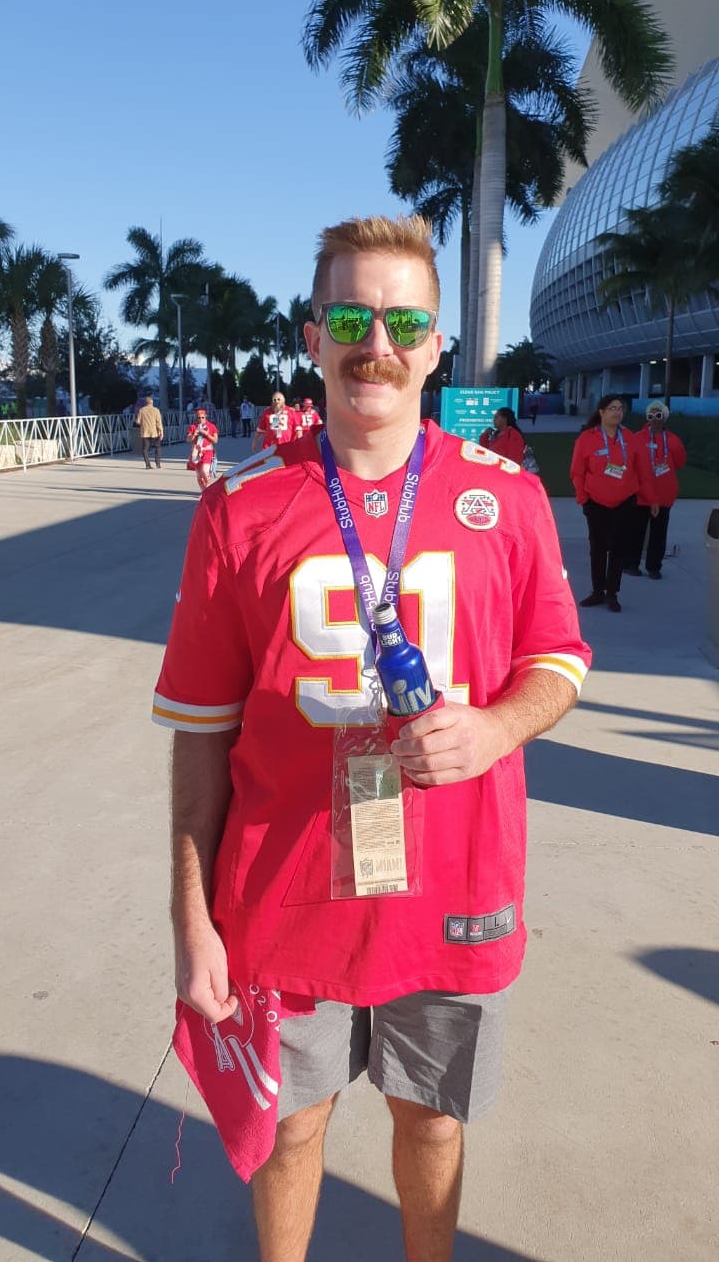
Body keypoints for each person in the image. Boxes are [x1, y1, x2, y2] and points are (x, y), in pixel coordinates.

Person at [153, 214, 591, 1262]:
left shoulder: (508, 495)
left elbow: (561, 661)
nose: (376, 343)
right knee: (293, 1126)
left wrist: (494, 728)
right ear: (313, 335)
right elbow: (202, 738)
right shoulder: (240, 509)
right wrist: (190, 914)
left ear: (437, 343)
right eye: (352, 315)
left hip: (455, 888)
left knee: (432, 1120)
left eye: (403, 320)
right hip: (283, 891)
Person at [570, 394, 640, 613]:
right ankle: (597, 591)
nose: (617, 412)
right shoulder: (587, 439)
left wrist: (642, 496)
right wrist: (583, 498)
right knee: (598, 549)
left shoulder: (629, 437)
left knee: (619, 550)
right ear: (601, 412)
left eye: (620, 408)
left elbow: (639, 469)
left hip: (624, 502)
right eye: (612, 408)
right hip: (596, 502)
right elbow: (577, 472)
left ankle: (612, 593)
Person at [624, 400, 686, 580]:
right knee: (637, 531)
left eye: (658, 416)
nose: (654, 419)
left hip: (663, 494)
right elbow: (630, 463)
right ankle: (632, 564)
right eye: (651, 416)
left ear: (664, 417)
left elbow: (680, 462)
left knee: (659, 533)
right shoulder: (638, 438)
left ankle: (654, 567)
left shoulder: (673, 440)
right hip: (641, 493)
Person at [186, 404, 219, 490]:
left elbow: (215, 440)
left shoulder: (211, 426)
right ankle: (204, 491)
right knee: (199, 476)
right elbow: (188, 440)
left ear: (206, 416)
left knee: (205, 471)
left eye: (202, 417)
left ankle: (208, 487)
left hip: (207, 451)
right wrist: (194, 435)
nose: (200, 420)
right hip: (196, 452)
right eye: (198, 418)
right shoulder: (193, 426)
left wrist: (207, 434)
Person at [134, 393, 164, 470]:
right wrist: (161, 432)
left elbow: (138, 421)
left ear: (145, 403)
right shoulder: (156, 410)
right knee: (157, 448)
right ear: (152, 402)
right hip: (155, 432)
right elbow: (159, 422)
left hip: (145, 432)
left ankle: (147, 465)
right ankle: (158, 464)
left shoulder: (142, 410)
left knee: (145, 449)